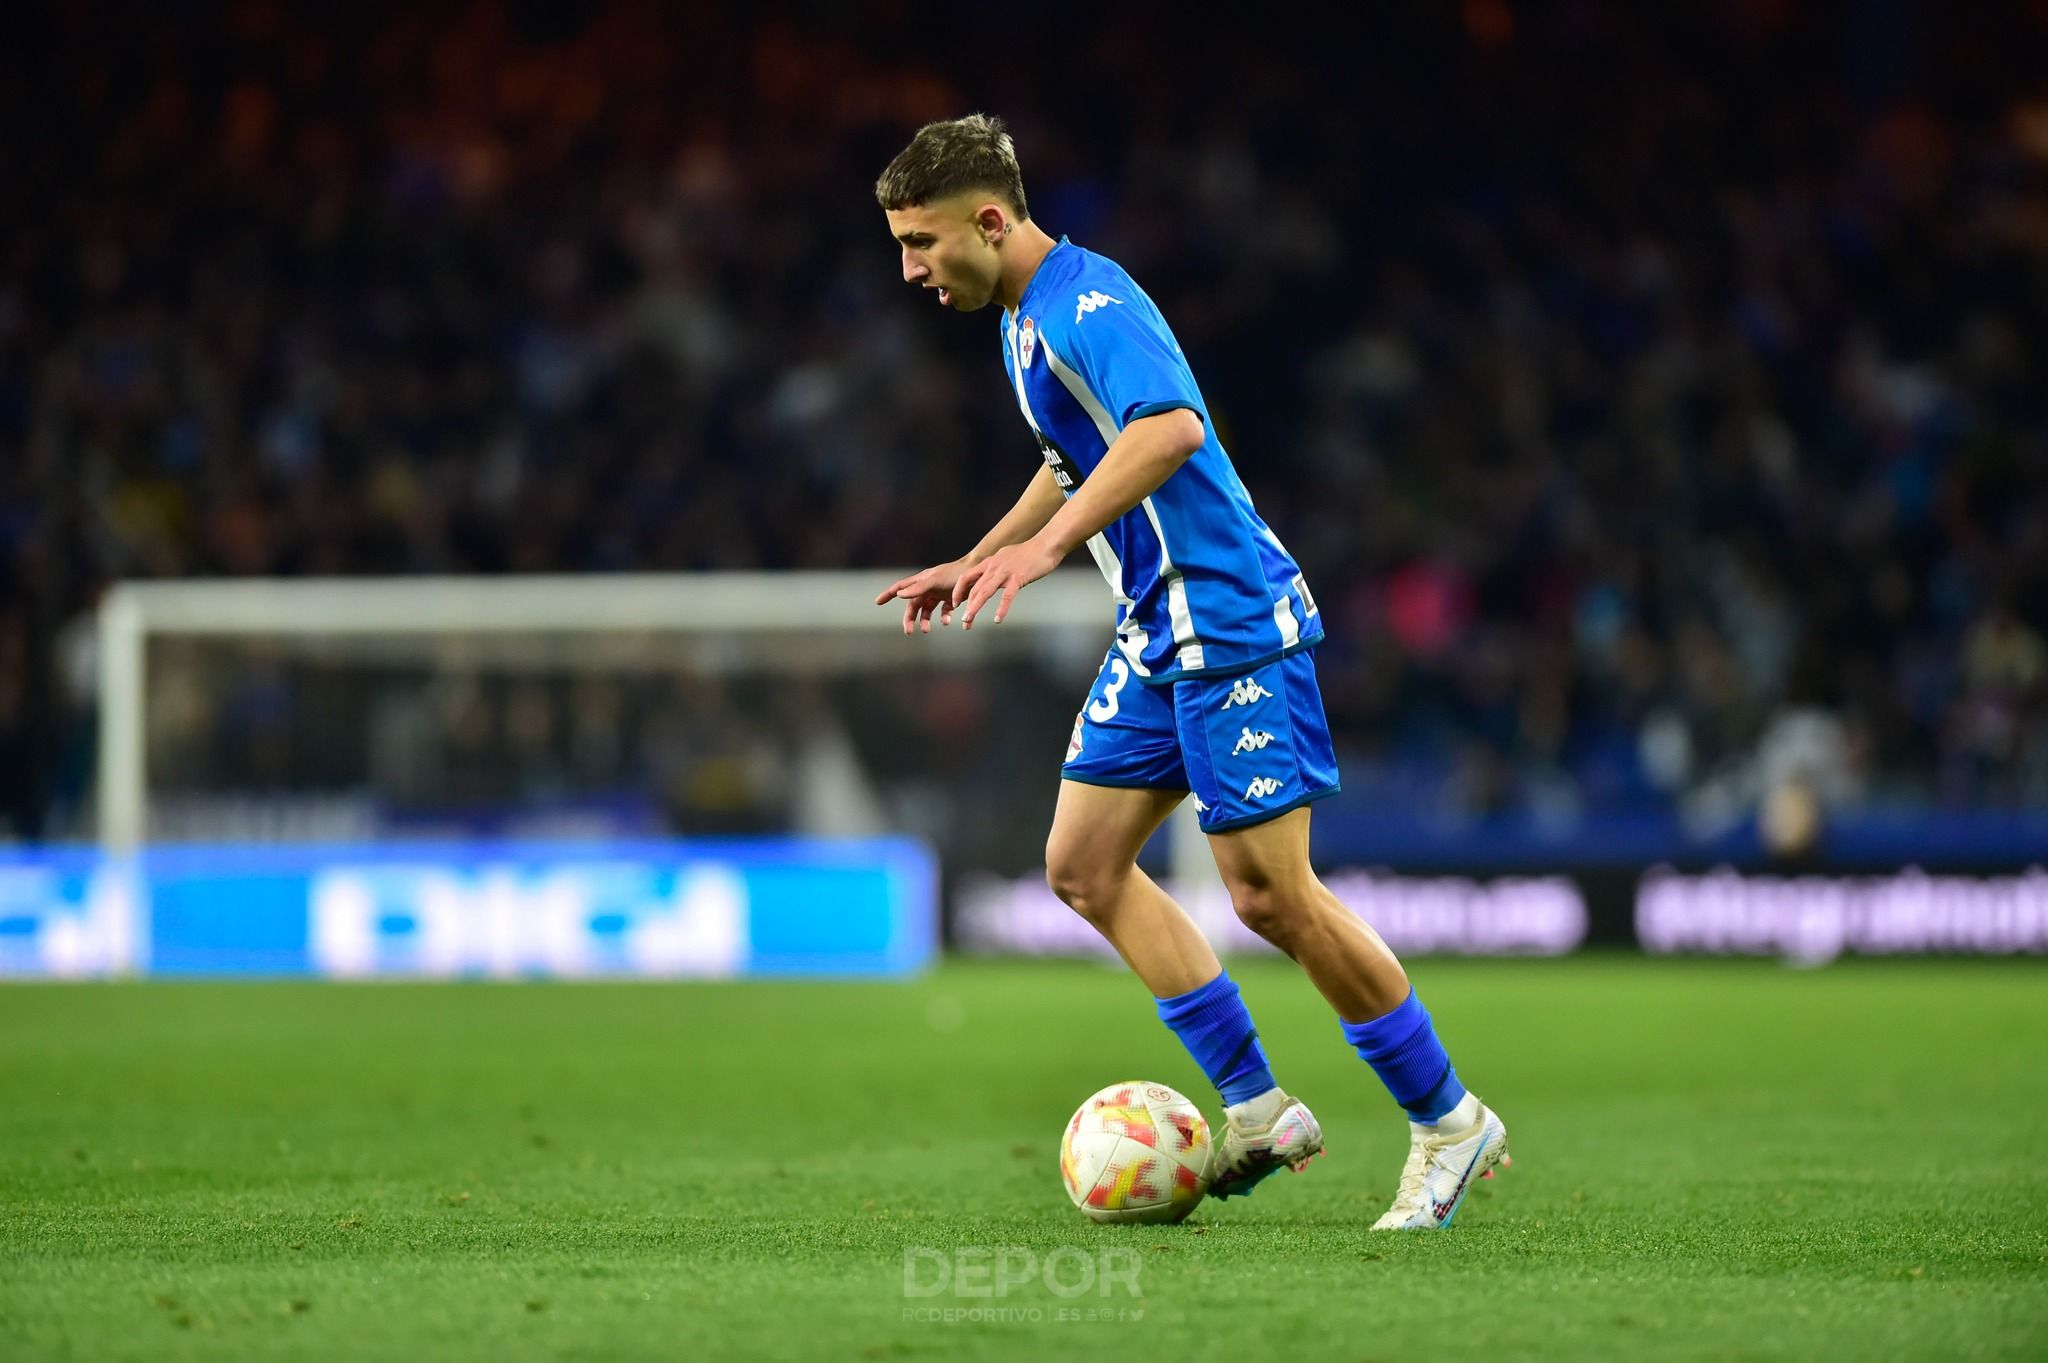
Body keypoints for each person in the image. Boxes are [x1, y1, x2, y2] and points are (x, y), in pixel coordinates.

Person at [873, 115, 1508, 1229]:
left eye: (921, 242)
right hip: (1153, 630)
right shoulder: (1025, 320)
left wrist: (1048, 546)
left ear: (989, 220)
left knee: (1269, 893)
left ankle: (1449, 1121)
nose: (910, 269)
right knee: (1079, 864)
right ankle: (1257, 1106)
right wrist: (982, 556)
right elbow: (1072, 457)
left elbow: (1165, 430)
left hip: (1226, 621)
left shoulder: (1088, 302)